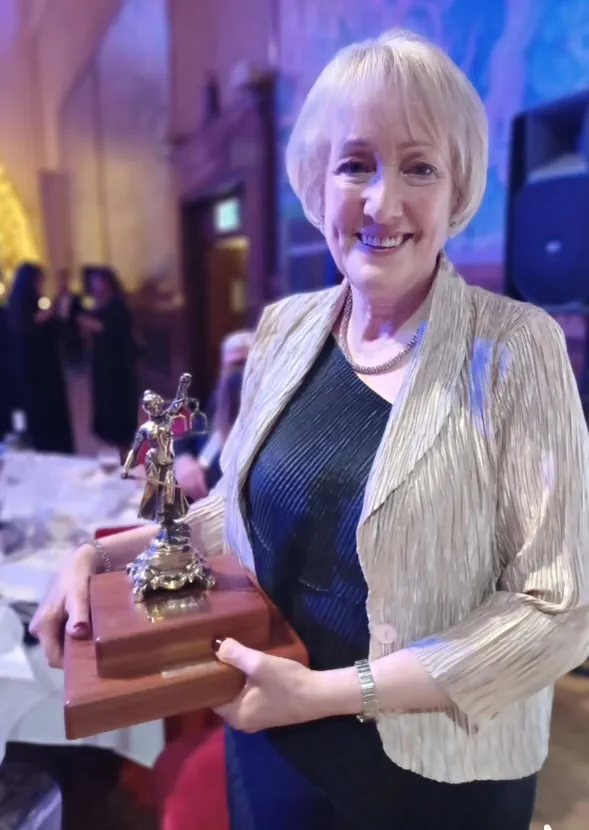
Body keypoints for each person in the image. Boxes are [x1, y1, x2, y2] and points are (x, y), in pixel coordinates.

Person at [31, 29, 589, 830]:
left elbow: (557, 608)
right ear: (315, 182)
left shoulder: (513, 350)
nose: (383, 203)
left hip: (435, 773)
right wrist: (98, 555)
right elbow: (239, 510)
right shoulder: (286, 329)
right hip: (267, 737)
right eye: (355, 163)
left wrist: (334, 692)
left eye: (419, 167)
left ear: (457, 187)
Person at [174, 330, 253, 500]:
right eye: (235, 365)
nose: (240, 373)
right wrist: (182, 459)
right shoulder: (220, 398)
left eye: (246, 364)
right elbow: (188, 435)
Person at [5, 262, 74, 453]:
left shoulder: (14, 307)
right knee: (45, 421)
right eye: (39, 281)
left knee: (37, 421)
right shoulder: (22, 307)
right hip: (39, 374)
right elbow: (30, 332)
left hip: (28, 373)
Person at [79, 266, 138, 456]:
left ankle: (124, 453)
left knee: (117, 409)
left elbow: (115, 331)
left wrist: (93, 325)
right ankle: (113, 448)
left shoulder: (118, 304)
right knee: (105, 405)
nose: (95, 285)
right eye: (93, 282)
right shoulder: (99, 303)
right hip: (103, 366)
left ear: (108, 283)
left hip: (118, 368)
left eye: (99, 281)